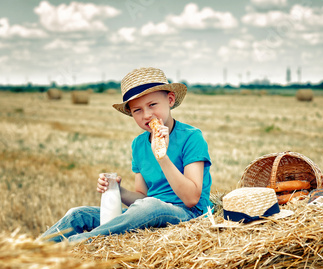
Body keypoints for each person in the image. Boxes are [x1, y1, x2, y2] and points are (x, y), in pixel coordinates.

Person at [40, 67, 212, 243]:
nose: (147, 114)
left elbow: (191, 199)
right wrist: (117, 191)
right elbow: (142, 197)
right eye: (137, 110)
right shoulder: (138, 144)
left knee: (149, 207)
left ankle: (78, 243)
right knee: (78, 214)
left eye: (152, 105)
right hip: (149, 211)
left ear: (170, 100)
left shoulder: (191, 137)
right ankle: (31, 251)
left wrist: (162, 156)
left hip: (188, 215)